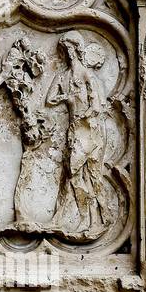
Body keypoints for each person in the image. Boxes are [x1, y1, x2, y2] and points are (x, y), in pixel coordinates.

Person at [47, 32, 110, 236]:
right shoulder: (63, 76)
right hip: (76, 130)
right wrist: (68, 97)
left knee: (92, 175)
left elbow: (98, 106)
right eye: (66, 50)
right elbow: (50, 99)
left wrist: (83, 111)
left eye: (72, 49)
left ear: (78, 50)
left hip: (90, 130)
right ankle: (84, 218)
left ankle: (98, 218)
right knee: (73, 174)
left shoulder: (87, 75)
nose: (69, 54)